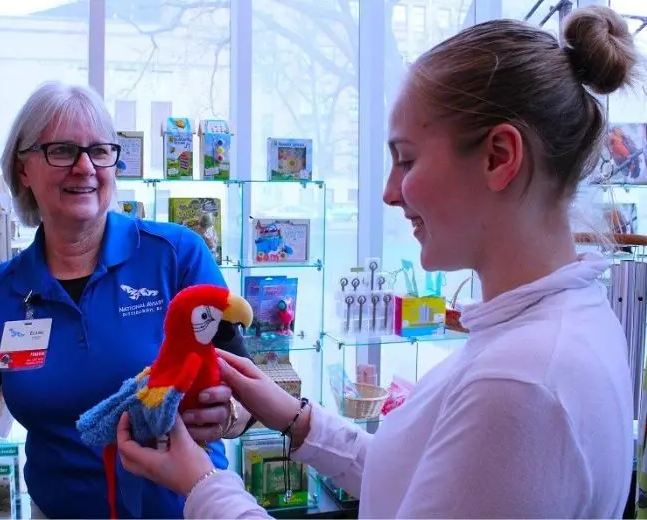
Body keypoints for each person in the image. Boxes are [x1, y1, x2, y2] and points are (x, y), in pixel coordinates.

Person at [113, 5, 640, 518]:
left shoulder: (521, 386)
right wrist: (297, 419)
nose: (390, 192)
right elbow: (418, 481)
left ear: (498, 157)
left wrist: (202, 485)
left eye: (407, 159)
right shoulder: (556, 329)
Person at [0, 81, 256, 519]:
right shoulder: (1, 294)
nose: (85, 167)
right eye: (63, 150)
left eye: (100, 150)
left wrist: (230, 417)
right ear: (23, 169)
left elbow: (246, 389)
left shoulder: (175, 257)